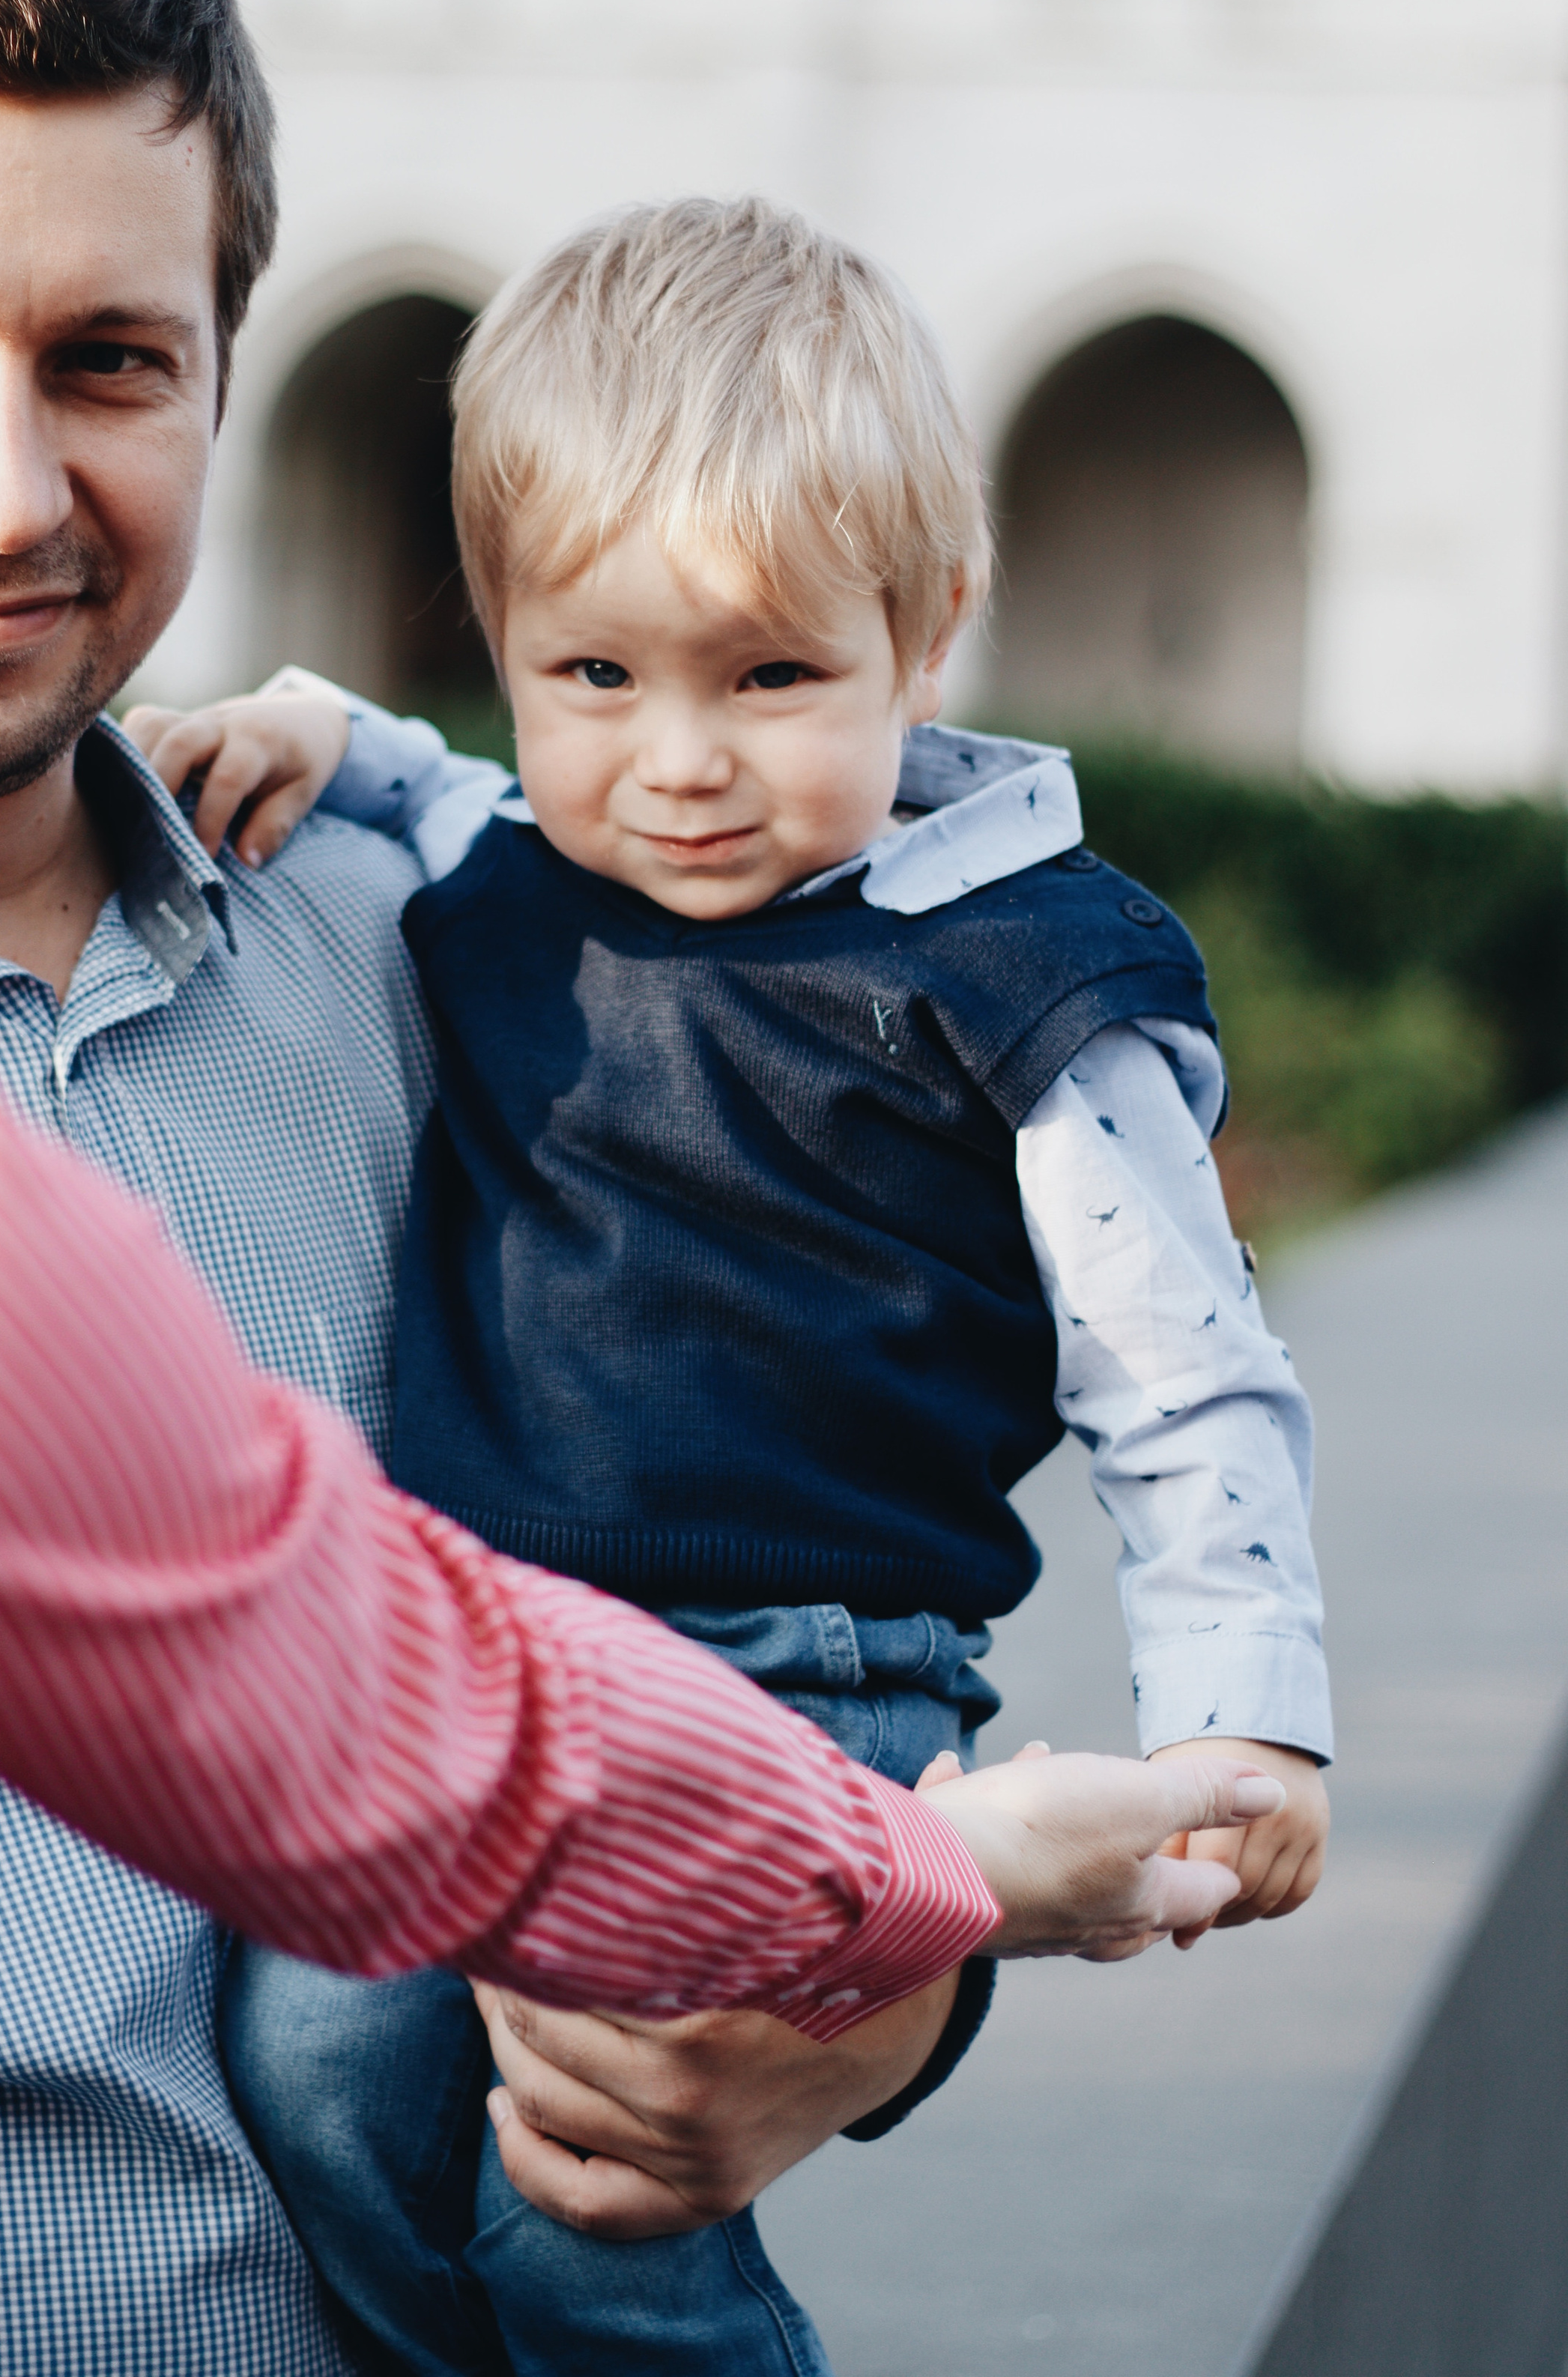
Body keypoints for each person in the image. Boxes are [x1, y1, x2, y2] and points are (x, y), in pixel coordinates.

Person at [0, 0, 1283, 2377]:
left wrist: (874, 1996)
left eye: (104, 357)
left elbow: (679, 1639)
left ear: (222, 378)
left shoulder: (427, 960)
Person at [139, 196, 1335, 2376]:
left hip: (803, 1663)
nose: (678, 762)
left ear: (930, 628)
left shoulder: (1022, 970)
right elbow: (448, 784)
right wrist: (317, 713)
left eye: (773, 676)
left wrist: (1246, 1707)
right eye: (596, 673)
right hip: (476, 1653)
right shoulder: (511, 860)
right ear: (498, 634)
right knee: (318, 2071)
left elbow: (1184, 1373)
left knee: (598, 2193)